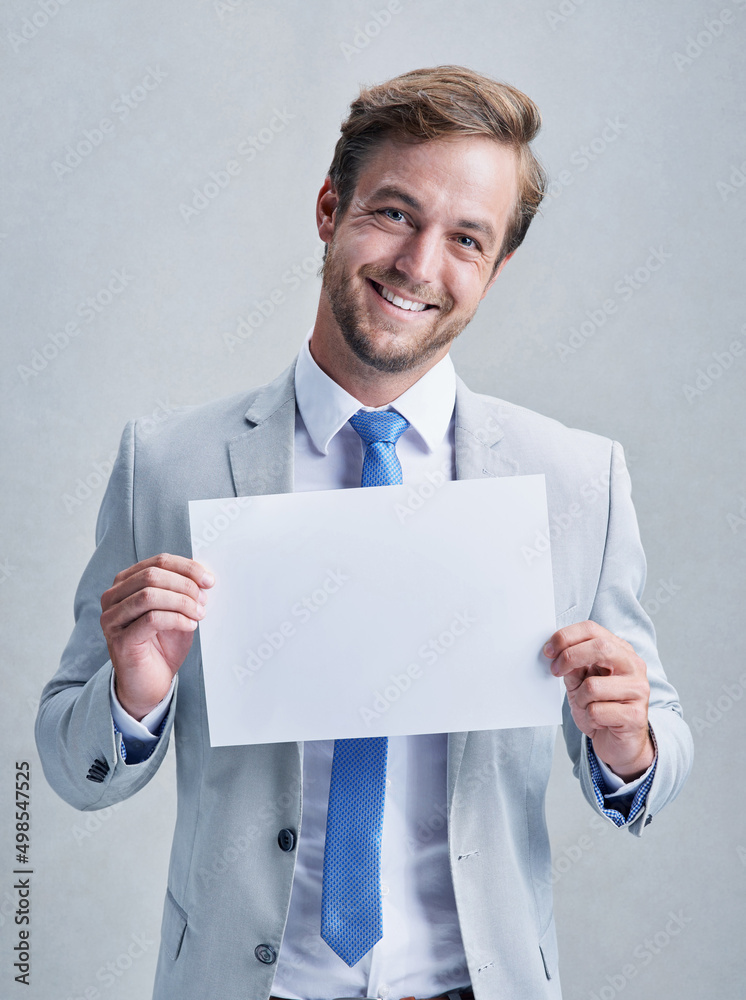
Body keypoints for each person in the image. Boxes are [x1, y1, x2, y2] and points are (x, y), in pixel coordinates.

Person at [36, 66, 693, 1000]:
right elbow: (70, 766)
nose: (420, 266)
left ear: (498, 267)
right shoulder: (168, 462)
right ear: (329, 208)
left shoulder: (577, 480)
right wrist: (134, 697)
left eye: (466, 238)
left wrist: (630, 746)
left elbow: (659, 743)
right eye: (392, 213)